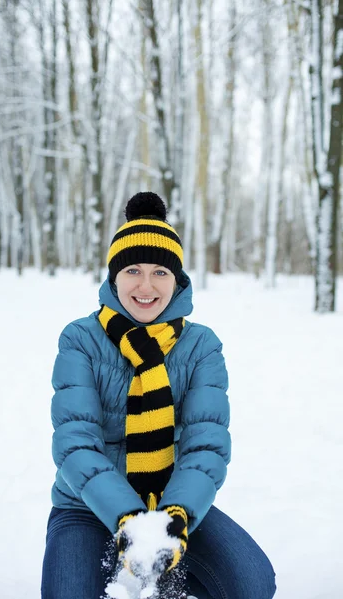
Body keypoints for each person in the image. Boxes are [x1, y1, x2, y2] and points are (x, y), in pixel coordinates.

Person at [41, 192, 276, 599]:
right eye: (132, 269)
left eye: (160, 272)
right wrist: (126, 519)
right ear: (114, 277)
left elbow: (206, 446)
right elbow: (76, 443)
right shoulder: (80, 338)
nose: (146, 286)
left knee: (251, 581)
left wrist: (175, 518)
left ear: (177, 280)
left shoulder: (201, 346)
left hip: (172, 505)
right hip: (85, 505)